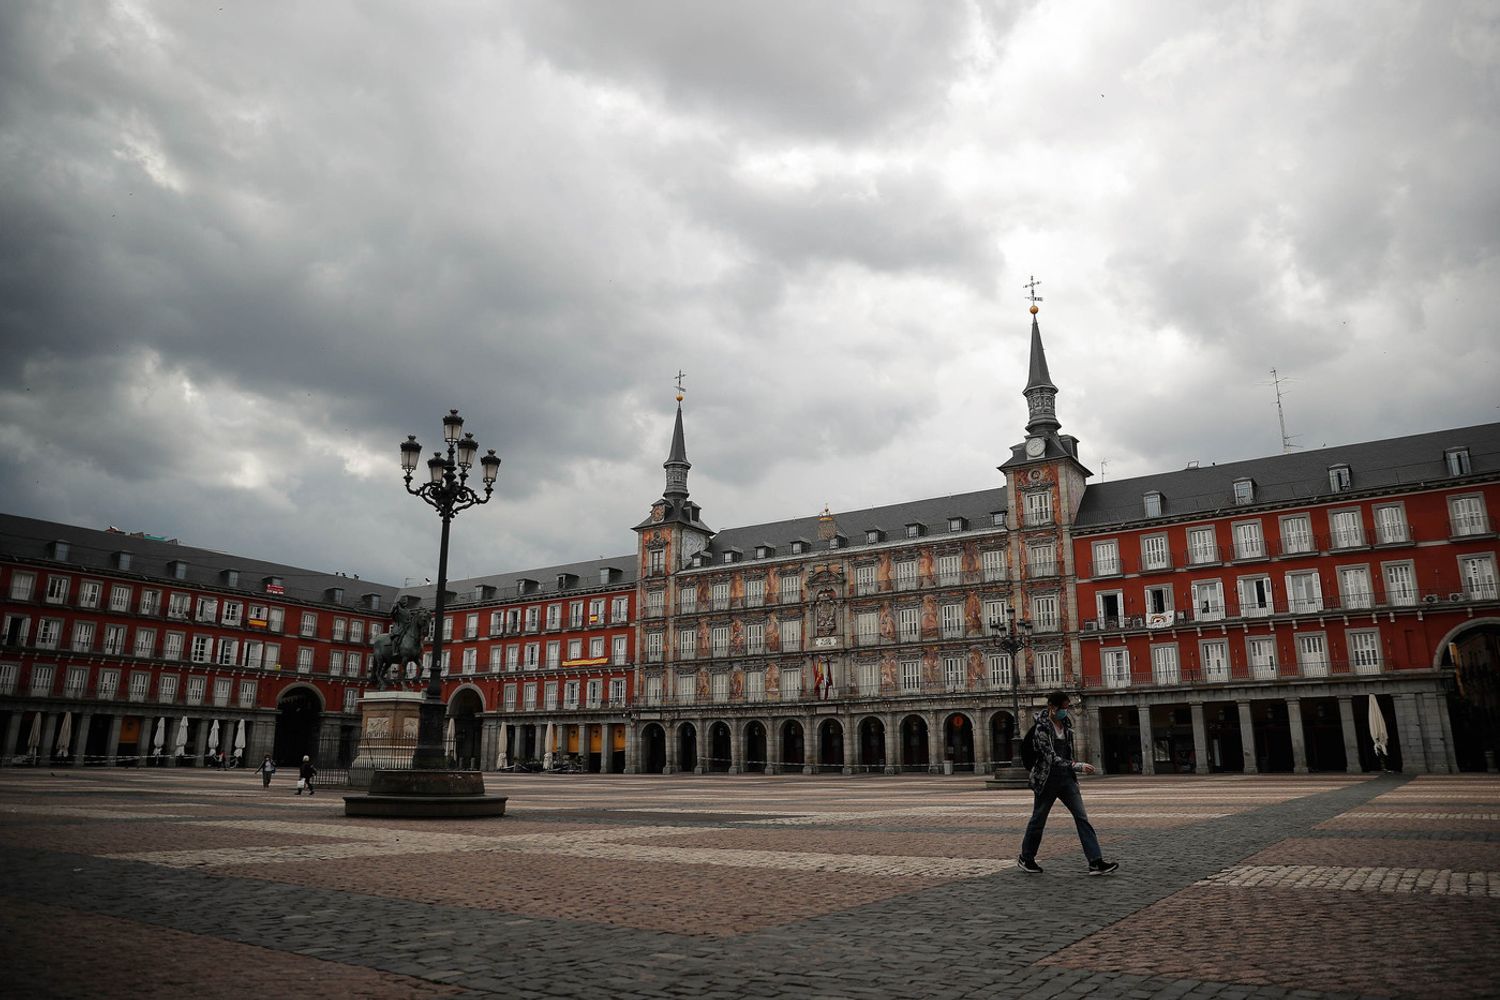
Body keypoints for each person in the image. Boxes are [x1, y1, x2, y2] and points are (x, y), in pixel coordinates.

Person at [1017, 691, 1119, 876]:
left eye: (1067, 707)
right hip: (1046, 780)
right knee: (1038, 820)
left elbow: (1067, 753)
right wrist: (1077, 766)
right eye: (1063, 708)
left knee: (1082, 818)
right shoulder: (1041, 729)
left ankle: (1095, 861)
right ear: (1052, 707)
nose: (1066, 711)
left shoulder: (1066, 725)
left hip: (1066, 779)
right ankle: (1026, 857)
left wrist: (1072, 775)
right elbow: (1050, 758)